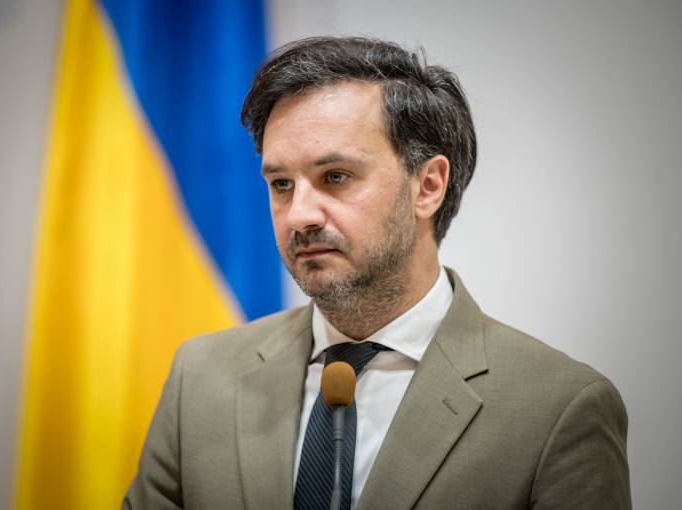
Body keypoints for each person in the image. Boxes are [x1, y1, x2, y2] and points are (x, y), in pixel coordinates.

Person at [123, 36, 631, 510]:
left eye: (335, 177)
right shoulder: (200, 378)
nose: (299, 215)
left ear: (428, 186)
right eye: (281, 184)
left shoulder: (559, 409)